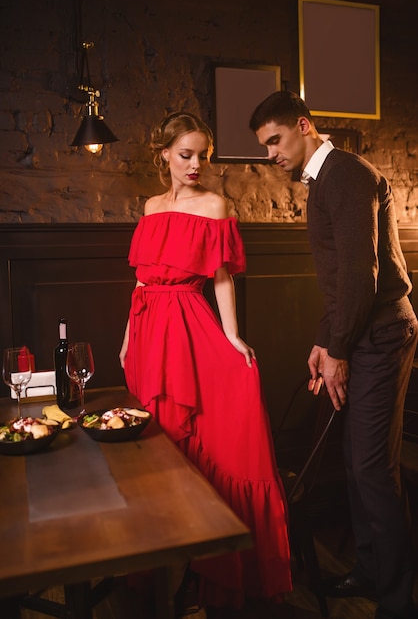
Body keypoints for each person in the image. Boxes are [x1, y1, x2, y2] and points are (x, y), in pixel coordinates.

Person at [249, 90, 418, 619]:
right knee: (356, 462)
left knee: (372, 470)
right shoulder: (324, 179)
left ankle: (396, 601)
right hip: (360, 332)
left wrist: (338, 349)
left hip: (383, 333)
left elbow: (364, 275)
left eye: (275, 140)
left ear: (303, 126)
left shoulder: (343, 173)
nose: (270, 153)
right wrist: (325, 342)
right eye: (264, 145)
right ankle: (370, 571)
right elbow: (339, 279)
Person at [119, 111, 292, 614]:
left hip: (191, 326)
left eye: (203, 156)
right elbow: (140, 281)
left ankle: (204, 575)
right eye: (185, 154)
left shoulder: (215, 204)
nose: (196, 164)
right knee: (160, 450)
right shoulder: (151, 206)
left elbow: (221, 278)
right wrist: (128, 337)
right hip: (149, 329)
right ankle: (164, 570)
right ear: (165, 155)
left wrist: (233, 336)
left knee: (212, 443)